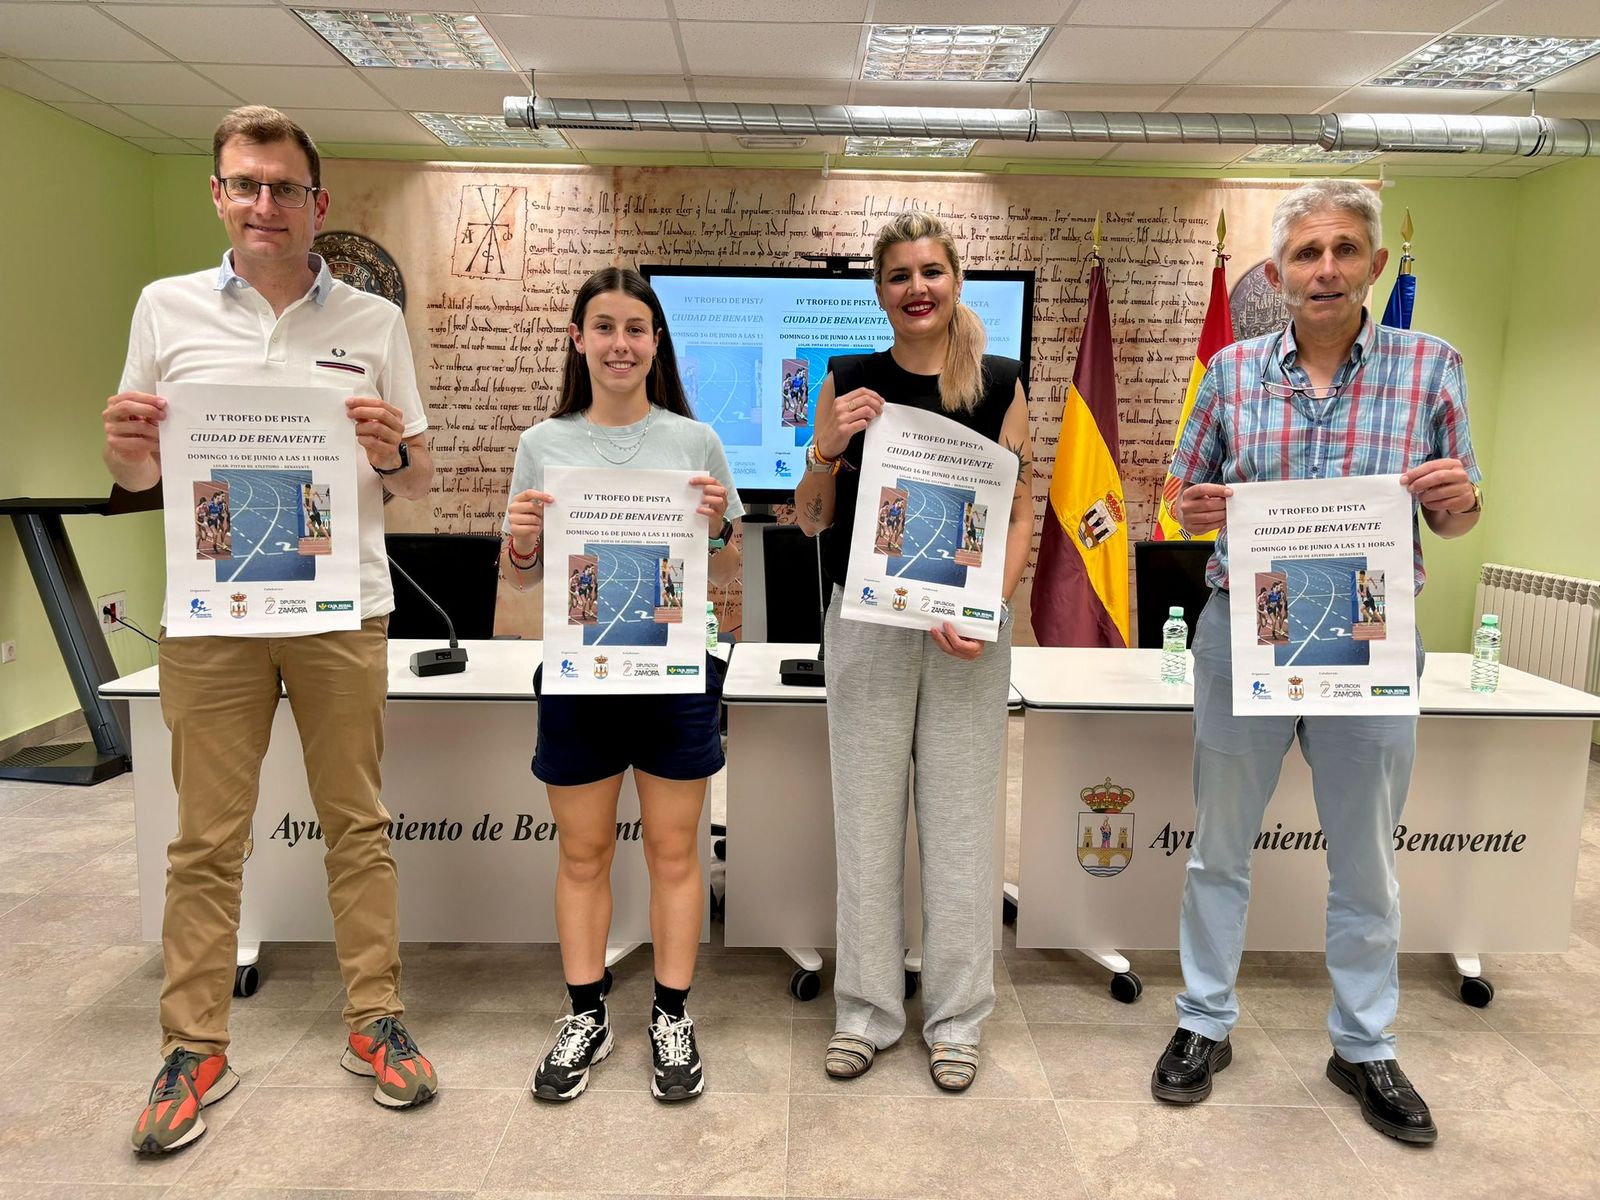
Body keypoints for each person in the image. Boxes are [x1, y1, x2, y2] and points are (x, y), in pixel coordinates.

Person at [101, 105, 439, 1156]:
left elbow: (416, 483)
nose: (263, 203)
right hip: (213, 614)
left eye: (284, 187)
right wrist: (121, 449)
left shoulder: (373, 325)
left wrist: (390, 450)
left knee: (359, 823)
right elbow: (141, 476)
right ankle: (193, 1045)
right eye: (245, 184)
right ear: (217, 195)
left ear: (315, 203)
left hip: (342, 605)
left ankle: (373, 1021)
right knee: (205, 837)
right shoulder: (165, 309)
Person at [1152, 180, 1482, 1146]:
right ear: (1276, 272)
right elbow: (1177, 497)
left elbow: (1458, 520)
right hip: (1243, 634)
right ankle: (1204, 1022)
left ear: (1375, 265)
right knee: (1219, 845)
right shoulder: (1227, 372)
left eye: (1344, 250)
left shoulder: (1433, 368)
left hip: (1373, 639)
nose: (1325, 268)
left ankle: (1365, 1045)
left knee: (1367, 857)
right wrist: (1190, 508)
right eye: (1306, 252)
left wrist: (1458, 498)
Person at [794, 211, 1032, 1092]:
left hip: (967, 632)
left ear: (955, 281)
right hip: (867, 623)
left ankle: (959, 1018)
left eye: (933, 271)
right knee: (865, 822)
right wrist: (828, 447)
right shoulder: (848, 379)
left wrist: (992, 609)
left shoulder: (1002, 383)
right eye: (899, 275)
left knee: (965, 826)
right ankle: (865, 1010)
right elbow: (812, 518)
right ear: (880, 292)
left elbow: (1020, 517)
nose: (918, 288)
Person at [502, 267, 743, 1104]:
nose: (620, 344)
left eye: (636, 329)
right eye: (603, 327)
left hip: (673, 674)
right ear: (578, 339)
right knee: (583, 853)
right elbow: (523, 579)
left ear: (655, 343)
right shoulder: (543, 443)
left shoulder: (695, 440)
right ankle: (586, 1015)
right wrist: (526, 538)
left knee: (676, 855)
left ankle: (671, 1016)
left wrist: (713, 531)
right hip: (579, 674)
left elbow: (727, 562)